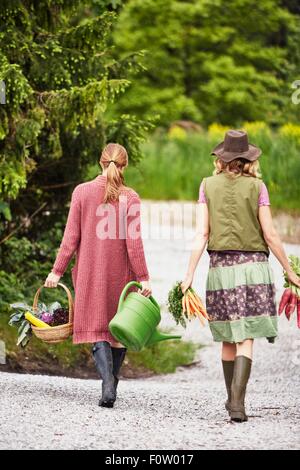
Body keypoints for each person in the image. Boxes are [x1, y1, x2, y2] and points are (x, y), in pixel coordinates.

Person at [181, 130, 300, 422]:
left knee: (227, 338)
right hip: (254, 270)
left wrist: (188, 275)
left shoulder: (206, 186)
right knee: (246, 336)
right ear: (247, 159)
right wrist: (290, 271)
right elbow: (271, 234)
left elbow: (202, 234)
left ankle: (232, 400)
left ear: (221, 158)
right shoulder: (258, 187)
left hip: (220, 270)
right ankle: (238, 401)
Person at [45, 143, 151, 408]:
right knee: (118, 331)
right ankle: (111, 384)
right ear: (123, 166)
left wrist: (56, 271)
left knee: (97, 328)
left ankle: (106, 385)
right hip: (123, 276)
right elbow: (134, 243)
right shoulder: (131, 197)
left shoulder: (82, 192)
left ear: (100, 163)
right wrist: (144, 278)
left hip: (90, 273)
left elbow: (71, 237)